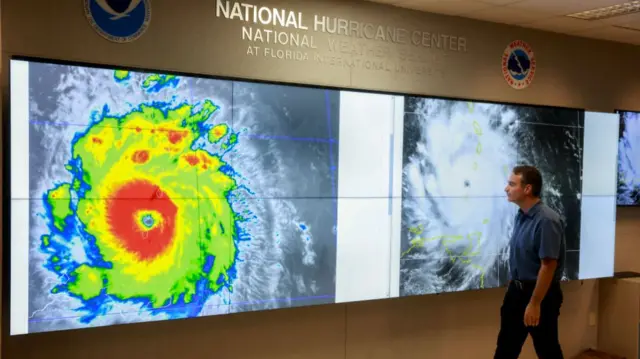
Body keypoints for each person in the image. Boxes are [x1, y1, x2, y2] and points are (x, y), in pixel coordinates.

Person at [494, 165, 566, 359]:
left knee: (547, 349)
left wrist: (534, 303)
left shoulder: (547, 220)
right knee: (505, 349)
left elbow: (548, 265)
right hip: (517, 293)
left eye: (511, 184)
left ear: (527, 189)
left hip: (540, 295)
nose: (506, 188)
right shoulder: (521, 216)